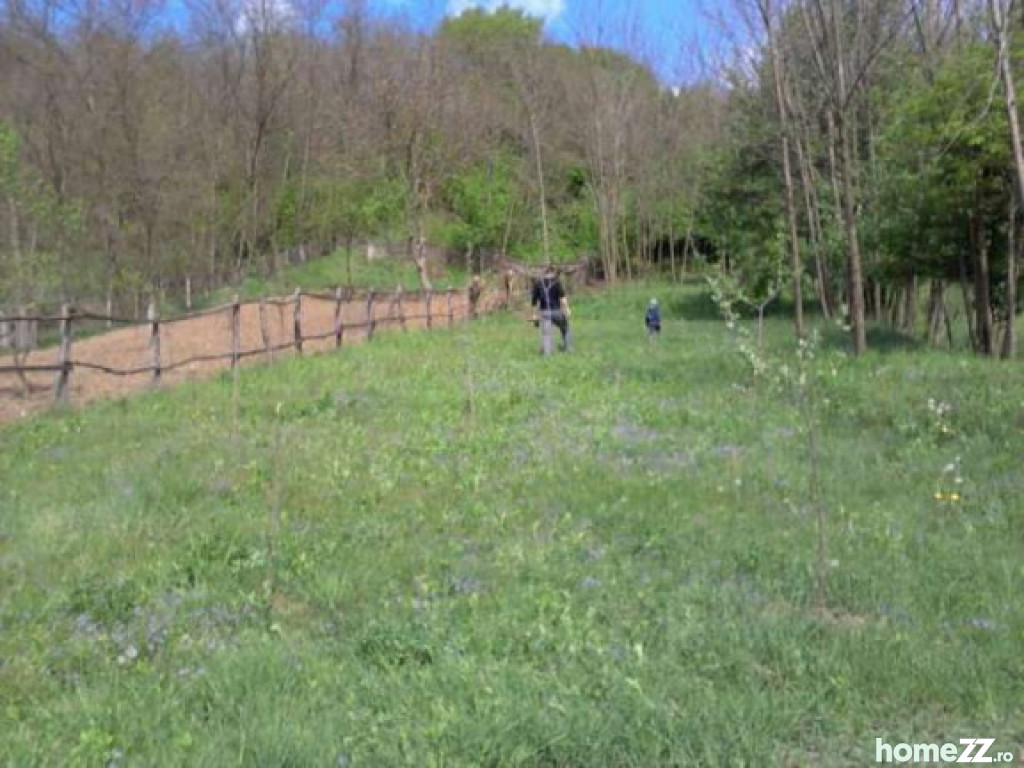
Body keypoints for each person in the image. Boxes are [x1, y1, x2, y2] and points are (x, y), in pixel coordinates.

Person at [531, 266, 572, 355]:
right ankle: (568, 348)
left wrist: (534, 315)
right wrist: (567, 309)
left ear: (544, 274)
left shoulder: (538, 284)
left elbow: (534, 302)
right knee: (565, 327)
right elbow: (563, 299)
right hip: (556, 312)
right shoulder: (557, 283)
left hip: (544, 313)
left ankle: (547, 353)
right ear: (552, 273)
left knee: (546, 334)